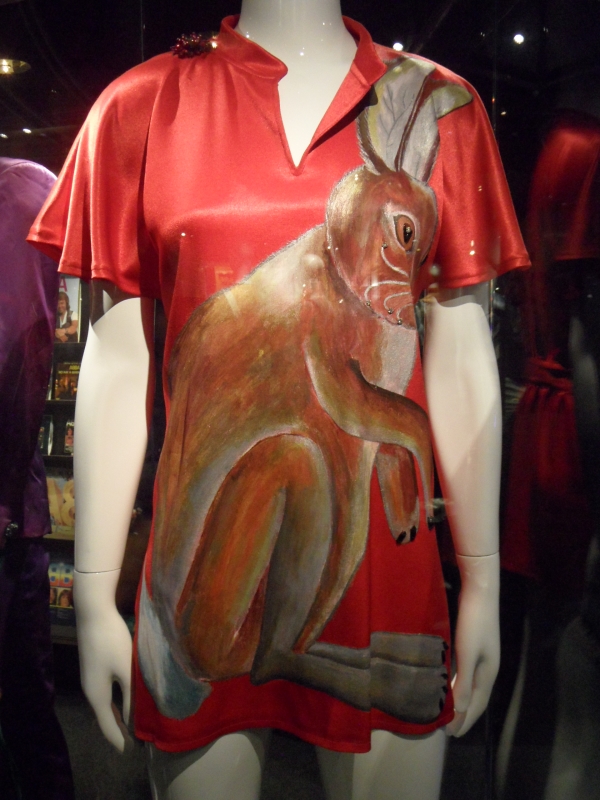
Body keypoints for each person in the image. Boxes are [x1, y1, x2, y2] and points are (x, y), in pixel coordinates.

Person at [29, 2, 529, 798]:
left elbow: (462, 352)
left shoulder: (446, 105)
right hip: (215, 557)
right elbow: (116, 360)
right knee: (290, 461)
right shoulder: (142, 105)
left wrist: (482, 580)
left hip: (380, 573)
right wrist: (92, 593)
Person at [0, 157, 74, 800]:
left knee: (27, 710)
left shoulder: (22, 192)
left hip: (8, 518)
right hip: (10, 514)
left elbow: (23, 357)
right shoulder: (26, 191)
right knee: (28, 710)